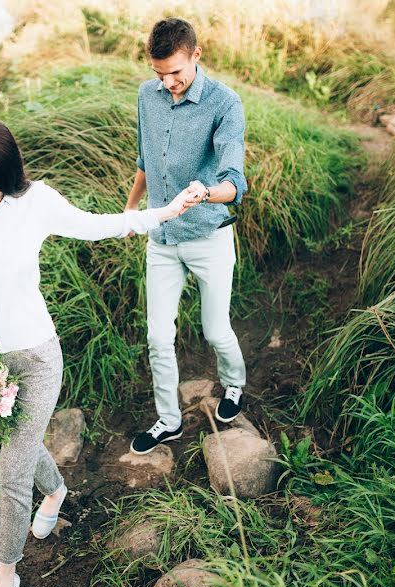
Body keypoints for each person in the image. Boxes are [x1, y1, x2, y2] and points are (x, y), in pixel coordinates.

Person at [0, 116, 198, 587]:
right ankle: (57, 490)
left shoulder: (34, 202)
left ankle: (6, 572)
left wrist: (164, 213)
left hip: (38, 358)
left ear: (8, 173)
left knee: (11, 466)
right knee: (19, 446)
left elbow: (99, 225)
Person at [125, 17, 249, 456]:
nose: (169, 83)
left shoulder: (225, 103)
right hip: (161, 238)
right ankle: (168, 420)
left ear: (196, 55)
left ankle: (234, 385)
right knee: (158, 337)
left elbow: (235, 182)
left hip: (208, 236)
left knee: (215, 329)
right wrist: (130, 210)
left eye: (176, 72)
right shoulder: (147, 94)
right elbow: (144, 160)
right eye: (160, 74)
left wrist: (206, 192)